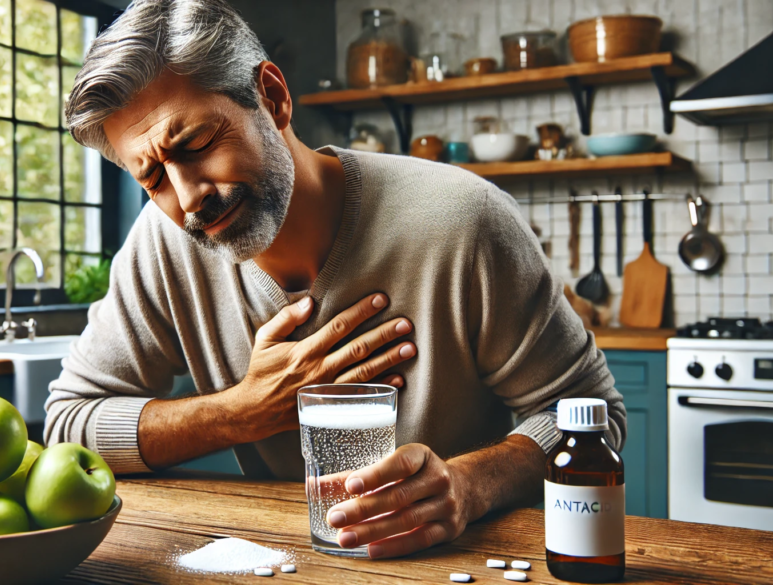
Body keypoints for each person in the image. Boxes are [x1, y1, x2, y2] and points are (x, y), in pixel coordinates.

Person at [49, 0, 625, 559]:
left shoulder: (463, 219)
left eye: (196, 143)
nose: (190, 196)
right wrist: (239, 411)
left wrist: (469, 485)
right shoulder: (163, 241)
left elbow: (591, 412)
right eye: (153, 178)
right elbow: (69, 425)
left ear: (271, 96)